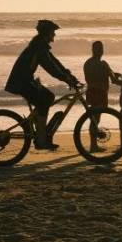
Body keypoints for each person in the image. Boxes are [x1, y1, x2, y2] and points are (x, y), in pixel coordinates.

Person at [5, 19, 80, 150]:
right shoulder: (39, 47)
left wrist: (69, 75)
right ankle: (41, 139)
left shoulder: (40, 45)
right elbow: (50, 67)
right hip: (21, 82)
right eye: (53, 32)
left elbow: (55, 62)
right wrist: (66, 79)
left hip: (24, 80)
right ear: (47, 33)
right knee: (44, 101)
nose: (54, 34)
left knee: (48, 97)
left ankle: (34, 122)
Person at [83, 41, 122, 152]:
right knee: (96, 119)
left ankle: (93, 145)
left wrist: (111, 73)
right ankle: (93, 146)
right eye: (100, 48)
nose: (100, 51)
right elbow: (114, 80)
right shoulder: (103, 64)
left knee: (94, 119)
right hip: (100, 93)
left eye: (100, 48)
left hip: (91, 92)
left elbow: (89, 79)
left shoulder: (88, 63)